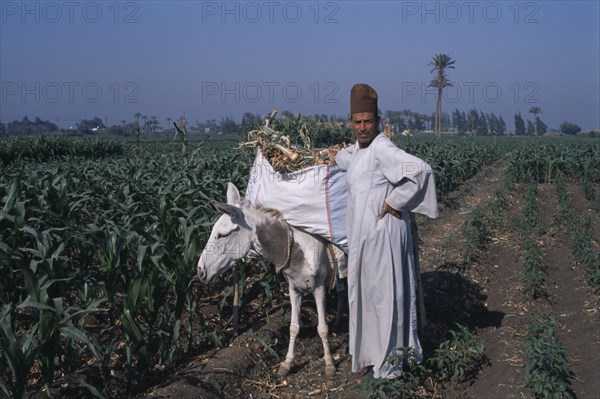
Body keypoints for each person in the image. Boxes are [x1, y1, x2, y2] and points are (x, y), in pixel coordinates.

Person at [334, 83, 439, 380]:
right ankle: (373, 357)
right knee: (368, 297)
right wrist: (332, 155)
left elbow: (421, 171)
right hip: (365, 240)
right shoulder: (358, 150)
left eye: (368, 121)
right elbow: (347, 158)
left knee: (385, 298)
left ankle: (389, 366)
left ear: (378, 121)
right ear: (351, 122)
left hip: (384, 237)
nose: (363, 127)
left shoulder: (383, 148)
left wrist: (395, 201)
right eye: (358, 122)